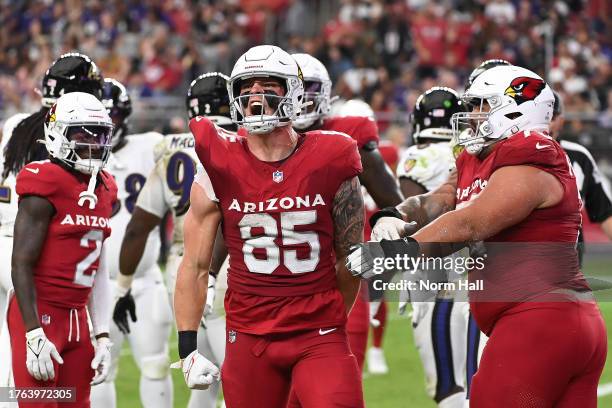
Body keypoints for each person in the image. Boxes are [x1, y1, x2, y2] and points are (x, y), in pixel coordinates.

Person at [348, 65, 607, 407]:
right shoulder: (478, 156)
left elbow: (472, 222)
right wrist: (397, 214)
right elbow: (440, 199)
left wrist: (398, 250)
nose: (469, 114)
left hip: (540, 317)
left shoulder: (531, 158)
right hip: (549, 319)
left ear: (515, 109)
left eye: (482, 105)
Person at [173, 45, 365, 408]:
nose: (256, 95)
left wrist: (328, 317)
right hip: (248, 337)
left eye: (269, 85)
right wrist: (188, 349)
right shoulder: (218, 160)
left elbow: (351, 258)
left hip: (317, 333)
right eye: (248, 86)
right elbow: (194, 265)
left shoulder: (332, 156)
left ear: (292, 92)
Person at [114, 72, 236, 408]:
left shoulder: (170, 151)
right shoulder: (245, 143)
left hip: (180, 272)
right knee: (243, 378)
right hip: (230, 265)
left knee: (203, 382)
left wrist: (122, 286)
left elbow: (139, 226)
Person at [291, 52, 404, 377]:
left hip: (343, 251)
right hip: (277, 266)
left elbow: (392, 199)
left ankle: (375, 353)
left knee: (339, 368)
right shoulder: (253, 142)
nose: (299, 99)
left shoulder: (347, 134)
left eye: (306, 89)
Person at [0, 52, 103, 389]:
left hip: (9, 234)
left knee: (7, 353)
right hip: (30, 245)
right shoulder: (63, 134)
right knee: (30, 354)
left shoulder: (17, 123)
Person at [8, 92, 117, 407]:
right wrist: (33, 332)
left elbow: (98, 269)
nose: (94, 144)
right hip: (40, 313)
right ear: (58, 134)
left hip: (77, 320)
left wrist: (103, 335)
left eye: (100, 135)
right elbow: (21, 264)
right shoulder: (45, 180)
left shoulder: (106, 186)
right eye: (83, 134)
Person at [89, 79, 172, 408]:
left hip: (144, 281)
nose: (107, 128)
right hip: (96, 286)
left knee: (155, 363)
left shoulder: (150, 146)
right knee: (99, 370)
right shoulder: (77, 158)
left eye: (113, 119)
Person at [394, 86, 471, 408]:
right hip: (479, 271)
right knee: (477, 376)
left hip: (436, 277)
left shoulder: (416, 157)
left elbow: (416, 220)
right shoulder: (470, 150)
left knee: (445, 384)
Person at [550, 91, 612, 257]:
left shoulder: (579, 156)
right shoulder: (509, 153)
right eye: (542, 116)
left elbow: (603, 212)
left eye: (552, 117)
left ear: (561, 121)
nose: (546, 124)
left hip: (568, 261)